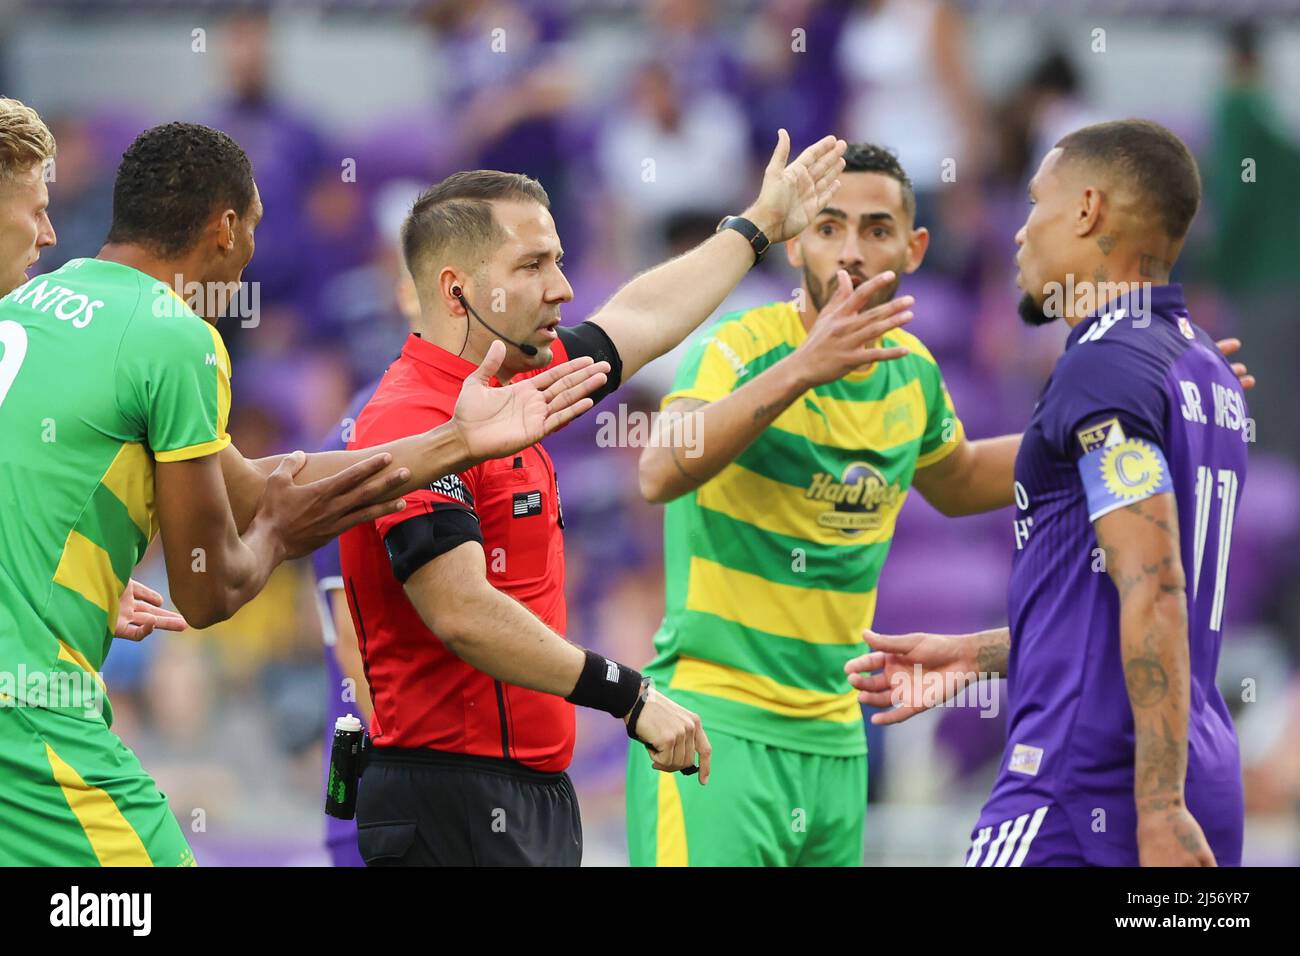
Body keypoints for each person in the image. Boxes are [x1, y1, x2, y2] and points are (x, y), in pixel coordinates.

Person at [628, 142, 1258, 867]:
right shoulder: (738, 345)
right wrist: (806, 366)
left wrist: (1151, 408)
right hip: (720, 724)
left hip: (837, 740)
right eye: (829, 228)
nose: (852, 252)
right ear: (795, 238)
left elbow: (959, 479)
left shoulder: (914, 373)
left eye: (876, 229)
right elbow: (657, 469)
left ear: (914, 247)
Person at [0, 121, 608, 866]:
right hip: (31, 722)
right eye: (253, 232)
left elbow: (254, 486)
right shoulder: (174, 337)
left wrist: (454, 442)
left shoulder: (24, 308)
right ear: (226, 230)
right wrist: (280, 540)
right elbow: (207, 591)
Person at [339, 132, 850, 866]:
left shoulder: (519, 387)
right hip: (447, 801)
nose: (563, 287)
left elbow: (641, 317)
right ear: (459, 292)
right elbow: (461, 613)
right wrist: (631, 698)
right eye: (534, 265)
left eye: (560, 261)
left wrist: (758, 224)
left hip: (532, 796)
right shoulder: (412, 421)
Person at [848, 119, 1248, 866]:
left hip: (1085, 786)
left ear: (1089, 210)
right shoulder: (1204, 372)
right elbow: (1118, 596)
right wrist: (988, 653)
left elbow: (1155, 586)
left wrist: (1155, 807)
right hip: (1199, 776)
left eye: (1036, 203)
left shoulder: (1107, 367)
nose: (1019, 233)